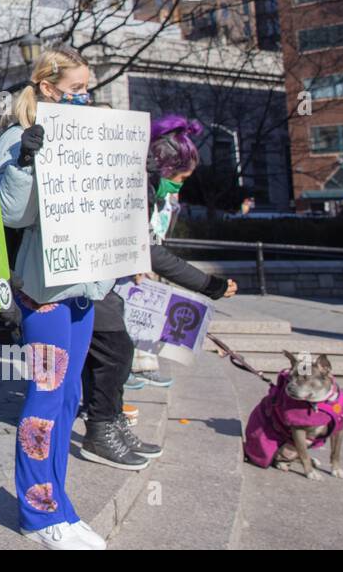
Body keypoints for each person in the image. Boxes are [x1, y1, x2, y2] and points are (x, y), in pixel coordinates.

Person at [0, 43, 113, 550]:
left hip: (83, 289)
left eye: (88, 89)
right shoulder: (19, 137)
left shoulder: (83, 135)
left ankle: (58, 502)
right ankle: (38, 514)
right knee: (45, 397)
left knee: (68, 397)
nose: (85, 97)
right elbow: (10, 212)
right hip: (42, 293)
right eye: (77, 89)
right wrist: (24, 159)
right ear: (47, 87)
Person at [80, 114, 237, 470]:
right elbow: (150, 249)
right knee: (114, 351)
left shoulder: (144, 185)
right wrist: (209, 284)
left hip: (105, 277)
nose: (179, 189)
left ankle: (110, 422)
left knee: (116, 352)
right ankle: (101, 429)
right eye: (179, 180)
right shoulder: (140, 187)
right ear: (165, 167)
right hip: (91, 278)